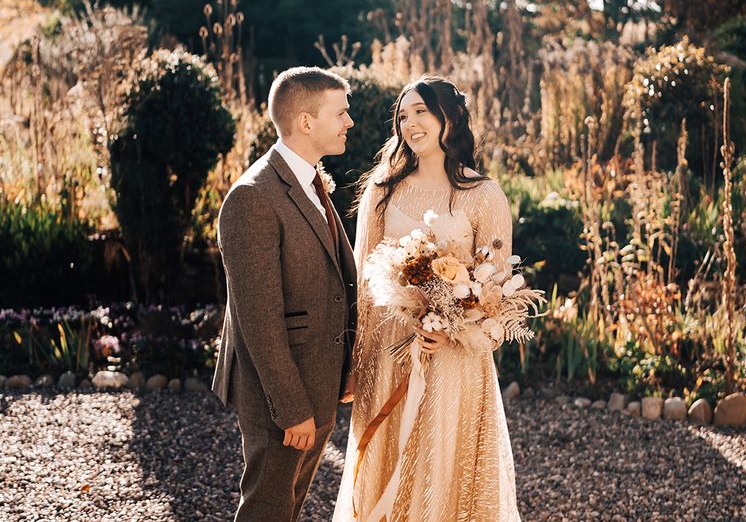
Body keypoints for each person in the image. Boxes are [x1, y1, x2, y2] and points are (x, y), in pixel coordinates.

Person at [334, 75, 520, 521]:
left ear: (449, 118)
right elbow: (360, 282)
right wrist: (354, 366)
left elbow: (496, 294)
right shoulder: (383, 189)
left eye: (421, 111)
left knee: (443, 462)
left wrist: (455, 330)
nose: (410, 123)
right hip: (387, 351)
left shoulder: (484, 195)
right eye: (402, 115)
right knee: (384, 457)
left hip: (455, 361)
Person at [212, 66, 358, 521]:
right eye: (341, 113)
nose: (349, 122)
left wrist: (346, 370)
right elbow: (256, 316)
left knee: (288, 505)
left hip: (318, 381)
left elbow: (335, 282)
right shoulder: (252, 197)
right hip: (282, 394)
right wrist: (292, 407)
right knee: (268, 508)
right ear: (306, 122)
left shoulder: (309, 179)